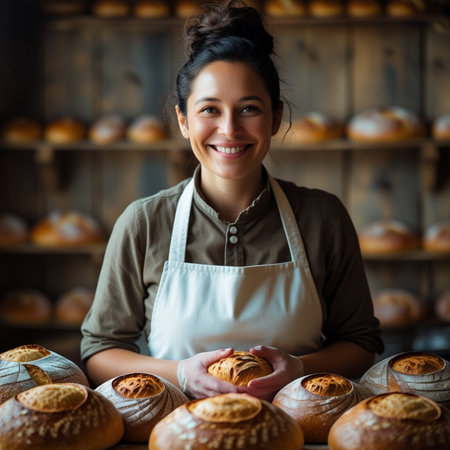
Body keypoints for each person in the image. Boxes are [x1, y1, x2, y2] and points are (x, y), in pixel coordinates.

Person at [81, 0, 383, 401]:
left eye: (248, 109)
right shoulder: (145, 221)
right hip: (178, 434)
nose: (229, 129)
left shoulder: (322, 216)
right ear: (184, 121)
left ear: (275, 118)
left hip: (295, 435)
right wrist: (181, 374)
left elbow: (360, 344)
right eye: (209, 109)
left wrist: (300, 368)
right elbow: (100, 352)